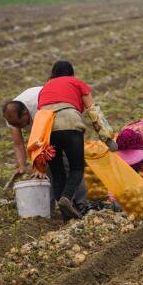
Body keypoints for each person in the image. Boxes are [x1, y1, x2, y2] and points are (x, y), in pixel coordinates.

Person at [31, 60, 113, 222]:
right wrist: (107, 137)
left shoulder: (45, 88)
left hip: (47, 129)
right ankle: (67, 198)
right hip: (69, 123)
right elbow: (93, 111)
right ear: (71, 73)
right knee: (76, 168)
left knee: (58, 172)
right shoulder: (77, 83)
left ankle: (66, 218)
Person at [2, 87, 87, 210]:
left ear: (26, 113)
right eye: (14, 125)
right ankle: (50, 206)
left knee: (70, 163)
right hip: (45, 126)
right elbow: (18, 143)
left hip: (62, 119)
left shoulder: (39, 106)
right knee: (50, 169)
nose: (18, 127)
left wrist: (39, 166)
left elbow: (44, 138)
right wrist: (22, 166)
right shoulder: (13, 115)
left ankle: (80, 204)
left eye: (19, 124)